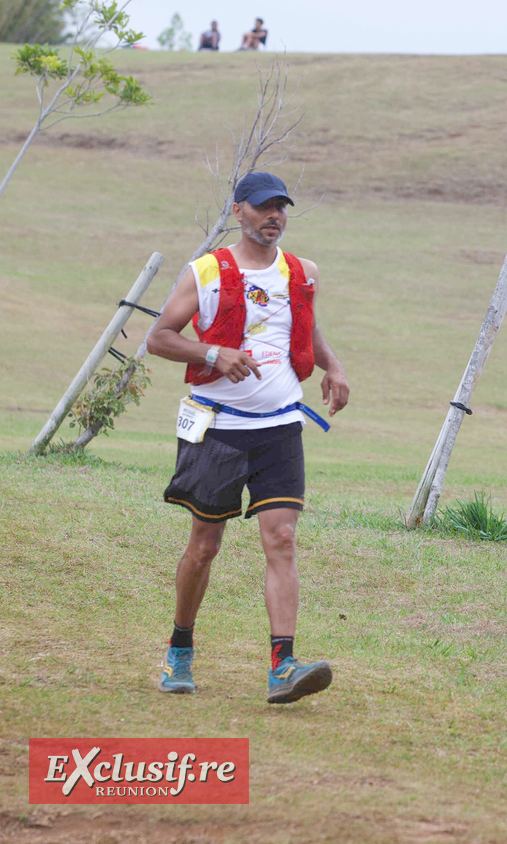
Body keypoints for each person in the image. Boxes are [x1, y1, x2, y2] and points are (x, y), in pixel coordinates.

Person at [147, 171, 350, 704]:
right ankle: (180, 648)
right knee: (205, 545)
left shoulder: (300, 272)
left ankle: (283, 666)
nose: (273, 217)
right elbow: (159, 338)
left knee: (281, 539)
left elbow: (302, 326)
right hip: (218, 428)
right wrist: (213, 353)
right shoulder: (206, 271)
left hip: (280, 427)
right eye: (262, 208)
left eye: (280, 208)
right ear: (238, 211)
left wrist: (332, 366)